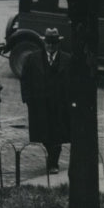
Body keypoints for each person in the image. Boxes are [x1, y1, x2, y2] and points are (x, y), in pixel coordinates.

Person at [21, 27, 71, 174]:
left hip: (59, 104)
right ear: (44, 43)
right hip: (39, 104)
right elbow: (25, 79)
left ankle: (53, 163)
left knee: (58, 134)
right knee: (43, 133)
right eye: (48, 43)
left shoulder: (68, 60)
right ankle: (51, 156)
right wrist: (27, 98)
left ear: (58, 44)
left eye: (53, 43)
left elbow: (74, 82)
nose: (50, 46)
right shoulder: (32, 58)